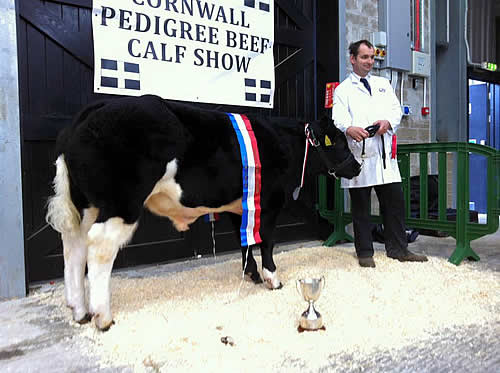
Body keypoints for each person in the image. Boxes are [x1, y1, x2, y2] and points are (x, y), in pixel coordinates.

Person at [331, 39, 428, 267]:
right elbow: (338, 117)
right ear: (353, 59)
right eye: (364, 57)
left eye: (372, 57)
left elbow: (395, 110)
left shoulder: (384, 83)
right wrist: (349, 128)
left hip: (385, 156)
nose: (370, 62)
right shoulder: (343, 89)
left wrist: (387, 122)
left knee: (395, 203)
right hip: (360, 155)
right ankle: (365, 253)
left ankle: (398, 249)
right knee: (361, 207)